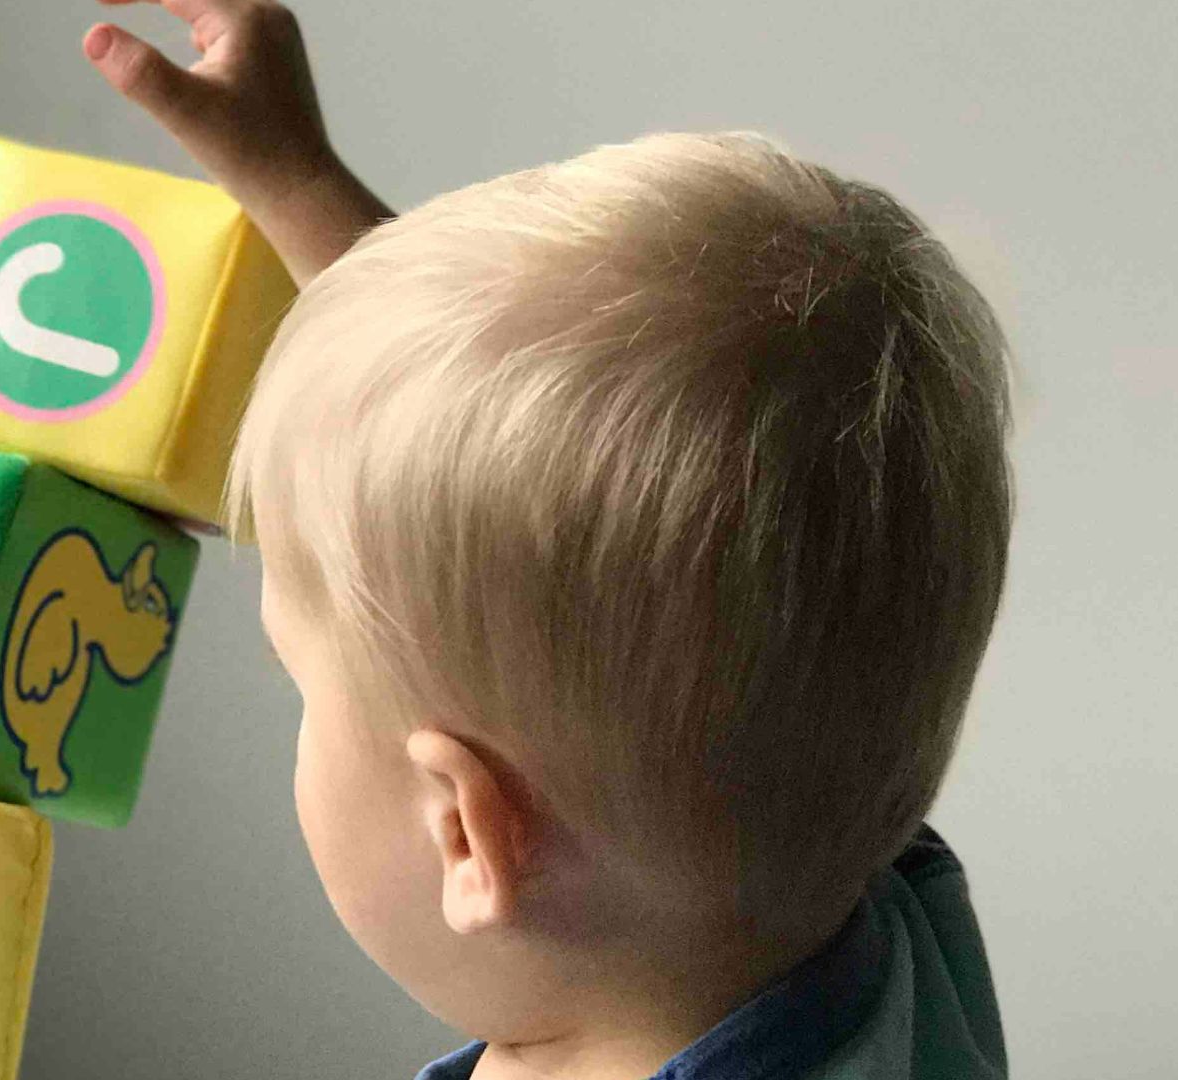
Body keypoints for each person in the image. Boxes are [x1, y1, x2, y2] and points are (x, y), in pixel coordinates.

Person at [81, 2, 1013, 1077]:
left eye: (304, 686)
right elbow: (599, 513)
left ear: (467, 834)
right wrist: (295, 183)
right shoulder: (847, 880)